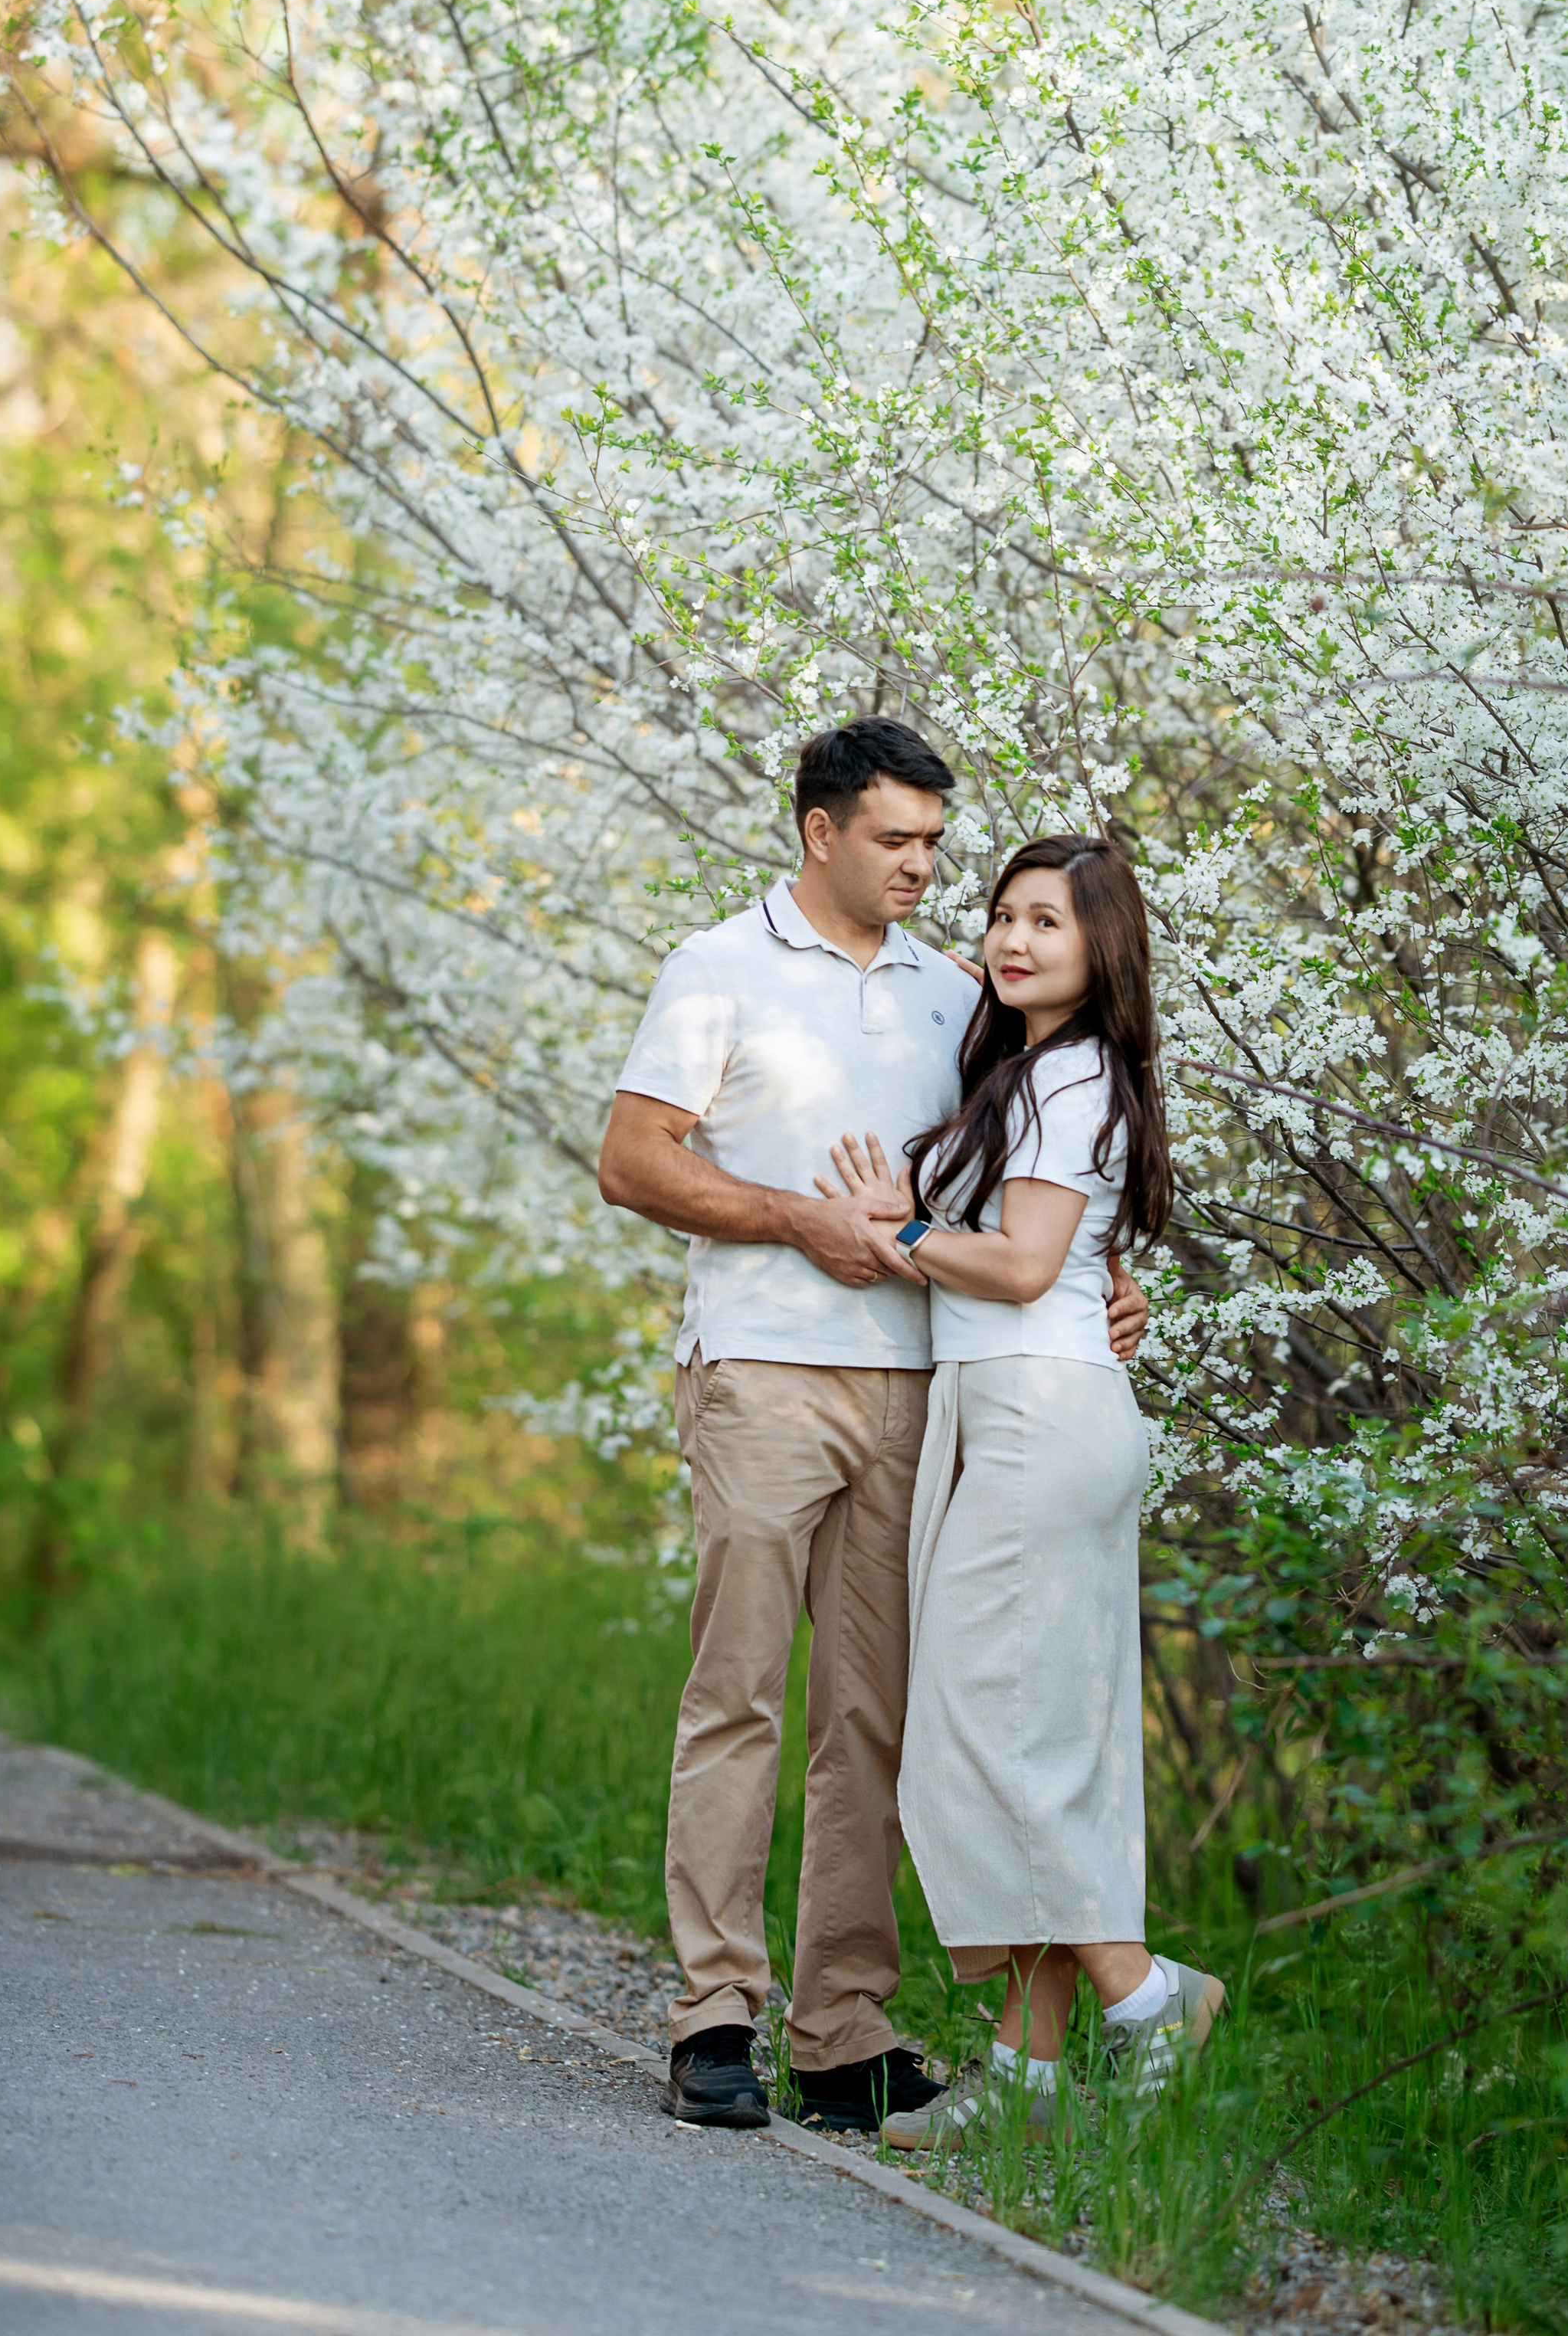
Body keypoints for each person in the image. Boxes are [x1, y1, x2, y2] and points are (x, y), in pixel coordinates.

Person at [597, 726, 1149, 2135]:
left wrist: (1099, 1283)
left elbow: (1017, 1177)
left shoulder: (959, 995)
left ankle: (841, 2027)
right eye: (895, 840)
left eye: (932, 845)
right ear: (819, 833)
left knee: (878, 1718)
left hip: (931, 1393)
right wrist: (803, 1222)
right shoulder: (715, 969)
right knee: (741, 1693)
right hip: (765, 1372)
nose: (921, 867)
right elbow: (633, 1162)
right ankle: (713, 2011)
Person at [817, 834, 1223, 2148]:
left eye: (1046, 921)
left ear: (1103, 944)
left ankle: (1147, 1991)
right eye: (1000, 916)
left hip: (1040, 1414)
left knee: (982, 1730)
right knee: (1036, 1732)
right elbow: (1057, 1252)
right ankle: (1029, 2079)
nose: (1011, 939)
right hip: (1014, 1412)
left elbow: (1026, 1262)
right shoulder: (1034, 1072)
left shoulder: (1075, 1073)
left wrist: (906, 1230)